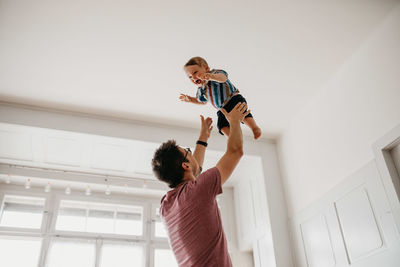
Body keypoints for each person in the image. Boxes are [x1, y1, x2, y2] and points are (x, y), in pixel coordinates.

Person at [151, 102, 250, 266]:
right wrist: (234, 120)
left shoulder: (166, 205)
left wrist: (203, 138)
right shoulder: (197, 190)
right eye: (188, 152)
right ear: (185, 165)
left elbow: (193, 171)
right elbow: (236, 151)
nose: (191, 154)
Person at [179, 56, 261, 140]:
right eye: (190, 77)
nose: (193, 77)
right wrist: (190, 99)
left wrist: (210, 76)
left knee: (243, 113)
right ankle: (233, 139)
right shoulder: (201, 89)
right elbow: (201, 101)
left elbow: (223, 78)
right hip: (222, 109)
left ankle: (254, 128)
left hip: (233, 99)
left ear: (206, 68)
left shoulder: (215, 73)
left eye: (195, 72)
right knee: (221, 125)